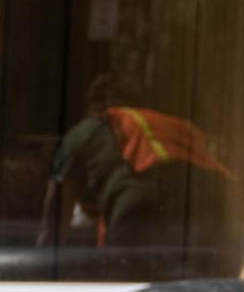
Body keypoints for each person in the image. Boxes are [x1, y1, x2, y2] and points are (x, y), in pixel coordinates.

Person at [39, 74, 231, 254]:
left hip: (140, 209)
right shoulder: (170, 125)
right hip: (203, 209)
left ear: (95, 105)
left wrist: (46, 254)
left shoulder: (91, 127)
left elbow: (58, 195)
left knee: (128, 276)